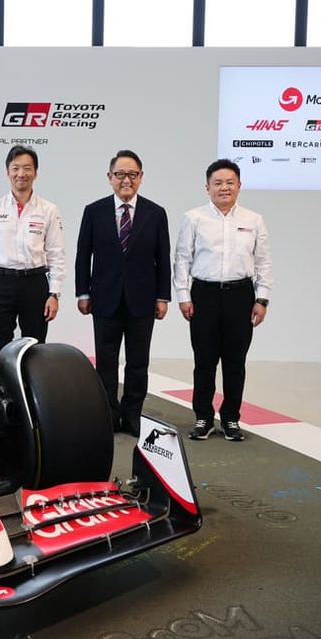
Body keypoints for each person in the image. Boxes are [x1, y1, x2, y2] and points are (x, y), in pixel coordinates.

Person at [174, 158, 274, 442]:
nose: (224, 188)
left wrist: (262, 299)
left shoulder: (254, 220)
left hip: (241, 296)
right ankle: (203, 417)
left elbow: (264, 262)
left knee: (235, 362)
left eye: (230, 182)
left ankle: (231, 418)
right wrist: (183, 296)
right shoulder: (194, 218)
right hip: (203, 295)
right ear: (207, 187)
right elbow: (182, 259)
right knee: (204, 361)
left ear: (239, 185)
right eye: (217, 183)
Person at [75, 150, 171, 437]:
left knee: (138, 362)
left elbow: (163, 258)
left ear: (141, 177)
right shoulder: (94, 211)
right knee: (106, 362)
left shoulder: (155, 213)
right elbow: (83, 255)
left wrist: (162, 297)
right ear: (109, 177)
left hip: (143, 300)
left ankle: (132, 416)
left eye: (132, 174)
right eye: (120, 174)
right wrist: (82, 292)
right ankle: (108, 415)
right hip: (104, 299)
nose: (126, 180)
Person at [0, 145, 65, 384]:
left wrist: (54, 294)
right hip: (2, 284)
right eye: (15, 168)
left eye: (27, 168)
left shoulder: (49, 210)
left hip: (35, 284)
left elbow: (57, 254)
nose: (21, 174)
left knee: (35, 348)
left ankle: (32, 401)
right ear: (7, 172)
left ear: (36, 172)